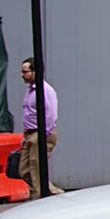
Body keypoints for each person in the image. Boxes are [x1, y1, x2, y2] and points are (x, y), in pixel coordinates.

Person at [20, 57, 62, 197]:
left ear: (35, 72)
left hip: (41, 133)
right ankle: (53, 193)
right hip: (30, 134)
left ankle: (39, 199)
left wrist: (41, 135)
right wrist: (26, 135)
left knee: (36, 170)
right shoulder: (30, 90)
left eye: (25, 71)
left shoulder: (45, 90)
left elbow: (51, 114)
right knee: (24, 170)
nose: (22, 75)